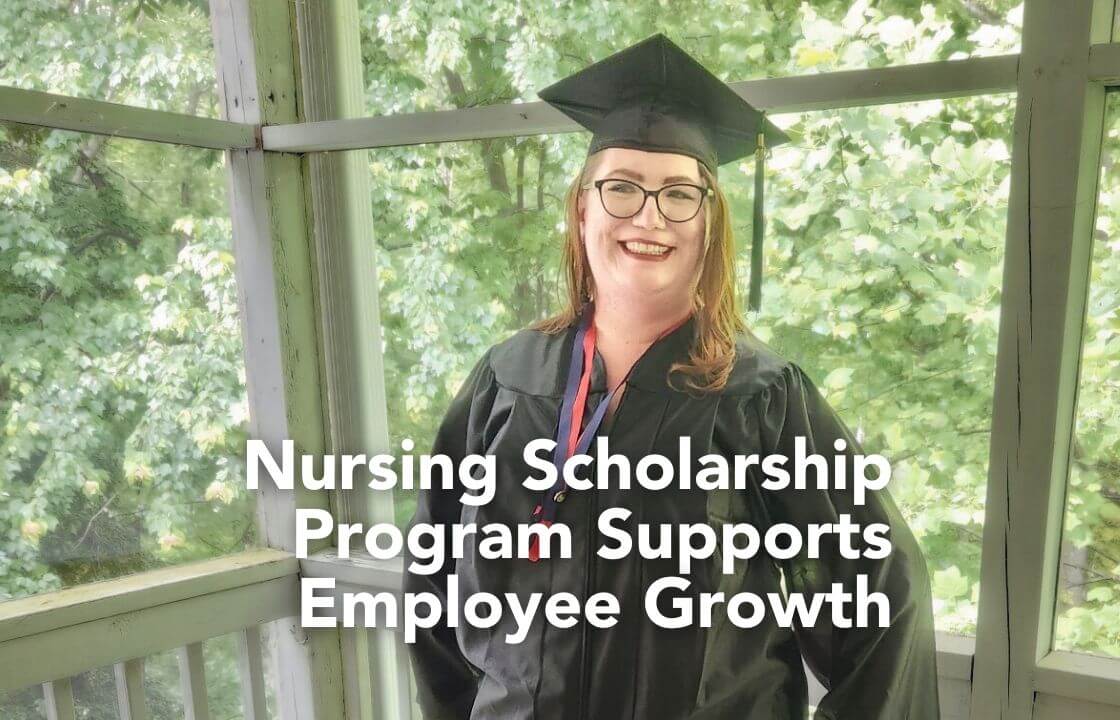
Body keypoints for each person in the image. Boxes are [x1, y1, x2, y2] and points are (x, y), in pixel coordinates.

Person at [404, 34, 940, 720]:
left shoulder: (760, 397)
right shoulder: (507, 380)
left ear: (709, 222)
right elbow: (434, 581)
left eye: (679, 194)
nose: (649, 216)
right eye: (621, 187)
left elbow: (883, 596)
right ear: (582, 207)